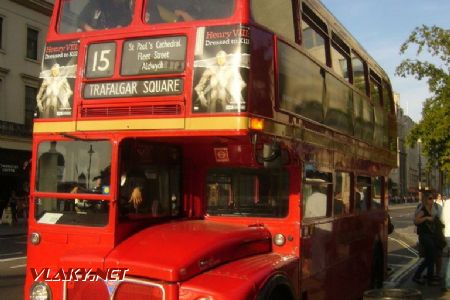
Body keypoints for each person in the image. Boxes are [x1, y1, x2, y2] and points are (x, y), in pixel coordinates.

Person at [413, 196, 441, 285]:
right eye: (429, 198)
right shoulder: (423, 210)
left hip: (430, 236)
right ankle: (420, 276)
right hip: (425, 236)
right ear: (425, 200)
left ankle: (428, 277)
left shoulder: (431, 209)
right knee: (430, 257)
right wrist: (426, 218)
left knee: (430, 258)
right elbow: (416, 221)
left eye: (432, 198)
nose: (432, 200)